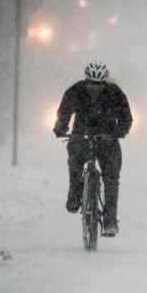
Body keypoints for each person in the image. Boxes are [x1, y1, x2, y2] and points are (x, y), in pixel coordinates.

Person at [53, 61, 133, 236]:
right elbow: (64, 112)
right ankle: (74, 194)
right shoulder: (76, 90)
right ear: (86, 80)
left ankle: (110, 220)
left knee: (111, 178)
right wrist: (60, 127)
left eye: (98, 85)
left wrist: (119, 132)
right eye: (91, 84)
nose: (94, 88)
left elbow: (126, 117)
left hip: (108, 138)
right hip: (81, 134)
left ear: (104, 83)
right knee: (75, 162)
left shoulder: (115, 93)